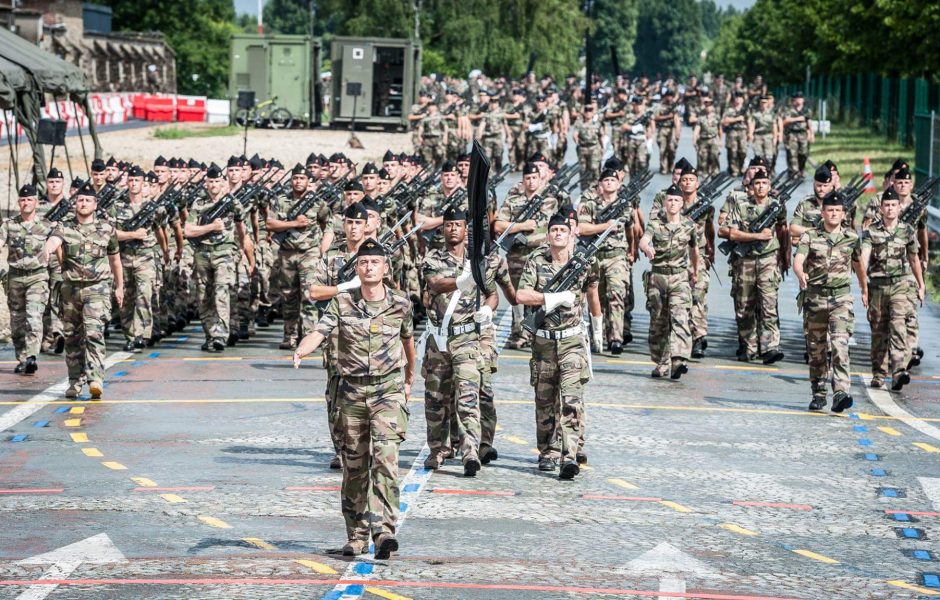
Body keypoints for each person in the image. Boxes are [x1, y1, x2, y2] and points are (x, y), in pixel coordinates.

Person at [293, 238, 415, 560]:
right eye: (363, 263)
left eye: (375, 262)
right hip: (351, 392)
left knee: (386, 459)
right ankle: (358, 535)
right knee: (355, 466)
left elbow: (408, 341)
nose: (369, 267)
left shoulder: (401, 304)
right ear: (357, 269)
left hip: (387, 391)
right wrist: (303, 348)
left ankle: (384, 531)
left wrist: (410, 377)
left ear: (385, 268)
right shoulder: (343, 303)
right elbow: (320, 330)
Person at [516, 211, 600, 479]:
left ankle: (569, 455)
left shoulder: (585, 262)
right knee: (545, 400)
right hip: (543, 342)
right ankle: (548, 451)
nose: (558, 234)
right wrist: (550, 299)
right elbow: (521, 294)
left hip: (572, 340)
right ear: (548, 234)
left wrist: (598, 326)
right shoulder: (536, 259)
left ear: (572, 233)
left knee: (572, 400)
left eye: (563, 230)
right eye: (554, 230)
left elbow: (593, 293)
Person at [420, 208, 498, 473]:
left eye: (458, 225)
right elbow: (436, 284)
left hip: (467, 338)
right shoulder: (432, 257)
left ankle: (470, 452)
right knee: (435, 399)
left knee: (467, 398)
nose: (453, 228)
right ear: (443, 229)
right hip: (439, 340)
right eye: (449, 224)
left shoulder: (478, 261)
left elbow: (492, 293)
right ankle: (439, 450)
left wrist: (487, 309)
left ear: (466, 230)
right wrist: (462, 281)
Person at [43, 183, 124, 399]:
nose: (84, 203)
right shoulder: (65, 227)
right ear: (75, 203)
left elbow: (115, 260)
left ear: (95, 205)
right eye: (80, 200)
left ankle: (95, 378)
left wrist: (120, 286)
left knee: (94, 332)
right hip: (70, 291)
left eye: (88, 200)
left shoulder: (107, 229)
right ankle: (74, 381)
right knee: (72, 337)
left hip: (96, 289)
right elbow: (54, 240)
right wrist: (47, 249)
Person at [793, 191, 866, 412]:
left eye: (837, 210)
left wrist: (864, 288)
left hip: (841, 299)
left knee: (840, 345)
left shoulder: (852, 237)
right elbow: (798, 260)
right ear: (822, 212)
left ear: (844, 214)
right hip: (815, 298)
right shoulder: (810, 236)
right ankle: (818, 392)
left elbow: (858, 265)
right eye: (829, 210)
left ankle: (841, 392)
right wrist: (800, 274)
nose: (833, 214)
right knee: (816, 349)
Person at [184, 164, 254, 352]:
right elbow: (188, 230)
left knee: (221, 292)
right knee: (203, 296)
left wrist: (244, 252)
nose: (213, 185)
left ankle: (221, 335)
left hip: (224, 253)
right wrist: (210, 228)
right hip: (202, 253)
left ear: (222, 182)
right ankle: (210, 334)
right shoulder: (198, 203)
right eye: (210, 181)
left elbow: (242, 229)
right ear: (205, 183)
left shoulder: (232, 203)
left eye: (217, 181)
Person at [860, 188, 925, 391]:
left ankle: (898, 370)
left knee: (898, 326)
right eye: (886, 205)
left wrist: (921, 285)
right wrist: (863, 288)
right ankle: (879, 373)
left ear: (899, 208)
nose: (890, 209)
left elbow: (914, 259)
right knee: (879, 331)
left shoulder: (906, 231)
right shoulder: (871, 232)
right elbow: (864, 257)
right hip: (877, 288)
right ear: (881, 208)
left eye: (893, 205)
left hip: (900, 286)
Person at [721, 170, 788, 364]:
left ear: (769, 186)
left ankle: (770, 347)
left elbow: (783, 229)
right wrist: (756, 236)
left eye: (765, 183)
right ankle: (749, 346)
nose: (761, 187)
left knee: (768, 303)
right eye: (757, 183)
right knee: (744, 306)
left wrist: (784, 254)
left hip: (768, 259)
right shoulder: (741, 207)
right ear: (752, 186)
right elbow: (731, 234)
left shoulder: (777, 206)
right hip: (746, 261)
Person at [267, 164, 332, 350]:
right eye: (295, 178)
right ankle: (290, 335)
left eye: (302, 178)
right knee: (289, 297)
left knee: (309, 296)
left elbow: (328, 223)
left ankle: (309, 336)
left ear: (308, 181)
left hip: (309, 254)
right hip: (287, 254)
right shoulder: (281, 200)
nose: (298, 181)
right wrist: (293, 223)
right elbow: (270, 223)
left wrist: (323, 246)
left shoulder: (317, 202)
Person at [638, 185, 699, 379]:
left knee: (680, 317)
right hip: (658, 278)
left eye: (676, 200)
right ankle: (661, 362)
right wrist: (647, 249)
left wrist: (695, 271)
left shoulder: (689, 225)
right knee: (659, 322)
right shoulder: (655, 224)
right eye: (670, 200)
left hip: (679, 277)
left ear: (682, 204)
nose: (672, 204)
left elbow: (694, 250)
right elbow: (643, 240)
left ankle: (679, 359)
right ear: (665, 203)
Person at [577, 169, 632, 353]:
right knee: (597, 298)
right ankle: (597, 335)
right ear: (600, 185)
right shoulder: (590, 205)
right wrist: (604, 226)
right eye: (606, 180)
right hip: (595, 256)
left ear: (618, 184)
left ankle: (615, 338)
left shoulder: (626, 206)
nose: (609, 183)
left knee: (616, 293)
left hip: (617, 256)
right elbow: (581, 229)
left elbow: (632, 230)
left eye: (612, 180)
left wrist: (631, 251)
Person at [1, 185, 51, 374]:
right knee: (17, 322)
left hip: (37, 277)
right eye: (23, 200)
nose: (26, 203)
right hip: (15, 278)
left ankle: (31, 356)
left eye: (29, 200)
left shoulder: (45, 225)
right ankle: (22, 358)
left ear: (36, 202)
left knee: (34, 316)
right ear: (18, 202)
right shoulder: (9, 225)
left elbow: (57, 246)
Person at [571, 102, 606, 191]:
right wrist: (576, 140)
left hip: (594, 148)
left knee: (594, 168)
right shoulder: (579, 123)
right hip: (582, 148)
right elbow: (575, 134)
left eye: (590, 110)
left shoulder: (597, 123)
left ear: (593, 112)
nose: (588, 112)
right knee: (583, 170)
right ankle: (584, 190)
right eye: (586, 110)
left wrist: (602, 147)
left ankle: (596, 188)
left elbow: (601, 135)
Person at [781, 92, 814, 177]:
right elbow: (785, 121)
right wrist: (798, 118)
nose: (799, 100)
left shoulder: (806, 110)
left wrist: (811, 134)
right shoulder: (788, 110)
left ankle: (801, 169)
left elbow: (809, 122)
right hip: (791, 134)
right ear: (793, 100)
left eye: (801, 98)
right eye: (797, 99)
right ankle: (794, 171)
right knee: (792, 154)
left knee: (803, 153)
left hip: (803, 134)